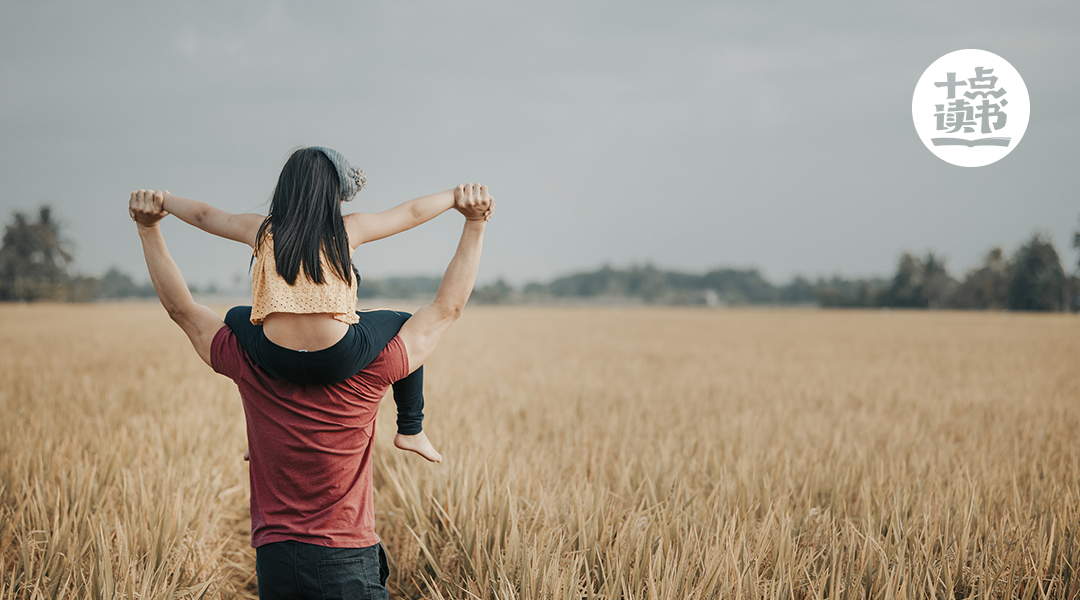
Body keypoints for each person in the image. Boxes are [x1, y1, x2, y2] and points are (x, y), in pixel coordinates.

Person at [130, 184, 492, 599]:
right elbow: (447, 308)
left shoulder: (247, 358)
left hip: (275, 559)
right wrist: (475, 223)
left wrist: (149, 230)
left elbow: (183, 310)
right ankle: (413, 428)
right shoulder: (373, 367)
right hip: (345, 559)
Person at [153, 147, 489, 463]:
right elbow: (412, 213)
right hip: (338, 356)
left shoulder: (260, 230)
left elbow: (203, 215)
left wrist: (163, 201)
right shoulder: (347, 228)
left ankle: (260, 435)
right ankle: (411, 429)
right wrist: (456, 197)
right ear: (333, 194)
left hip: (275, 358)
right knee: (404, 320)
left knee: (236, 315)